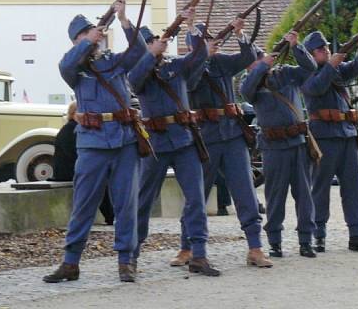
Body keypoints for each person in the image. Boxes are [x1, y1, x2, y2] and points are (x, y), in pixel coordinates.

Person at [43, 0, 146, 284]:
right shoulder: (73, 68)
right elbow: (67, 63)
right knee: (84, 205)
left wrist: (124, 20)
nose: (95, 37)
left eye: (95, 32)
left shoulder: (112, 61)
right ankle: (70, 262)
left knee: (126, 204)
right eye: (86, 34)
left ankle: (126, 261)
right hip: (92, 143)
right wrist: (87, 41)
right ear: (77, 41)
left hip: (124, 140)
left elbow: (139, 53)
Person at [176, 20, 273, 268]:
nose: (211, 42)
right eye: (204, 40)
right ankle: (187, 247)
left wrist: (240, 32)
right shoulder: (186, 67)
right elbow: (191, 84)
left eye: (210, 38)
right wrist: (202, 57)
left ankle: (255, 248)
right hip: (206, 136)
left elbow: (247, 57)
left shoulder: (221, 62)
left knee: (245, 193)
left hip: (231, 134)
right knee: (197, 195)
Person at [127, 20, 221, 277]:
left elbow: (199, 55)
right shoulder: (138, 69)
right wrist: (151, 54)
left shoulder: (174, 65)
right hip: (156, 143)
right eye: (151, 43)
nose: (157, 44)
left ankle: (199, 255)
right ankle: (130, 257)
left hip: (183, 140)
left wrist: (191, 27)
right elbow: (135, 83)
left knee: (196, 200)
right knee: (144, 201)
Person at [240, 32, 318, 259]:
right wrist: (260, 68)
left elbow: (309, 68)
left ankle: (306, 241)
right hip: (273, 146)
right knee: (275, 196)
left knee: (304, 195)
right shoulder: (249, 83)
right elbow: (246, 93)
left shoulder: (285, 74)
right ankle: (275, 242)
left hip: (297, 142)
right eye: (256, 60)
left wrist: (295, 46)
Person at [301, 30, 358, 254]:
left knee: (353, 187)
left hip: (346, 133)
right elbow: (316, 88)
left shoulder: (335, 70)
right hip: (323, 136)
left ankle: (357, 235)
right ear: (311, 55)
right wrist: (331, 65)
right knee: (321, 188)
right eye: (320, 49)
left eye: (326, 47)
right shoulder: (306, 73)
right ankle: (319, 235)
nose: (325, 50)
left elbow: (356, 68)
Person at [50, 101, 114, 225]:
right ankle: (111, 216)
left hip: (69, 168)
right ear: (74, 114)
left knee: (101, 177)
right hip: (66, 171)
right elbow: (76, 154)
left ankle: (112, 215)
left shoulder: (72, 128)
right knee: (99, 180)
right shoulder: (72, 130)